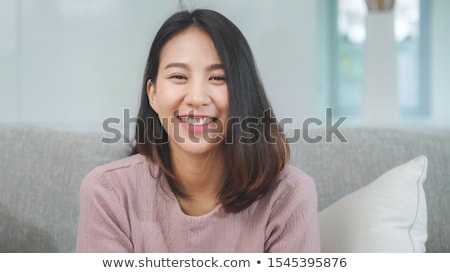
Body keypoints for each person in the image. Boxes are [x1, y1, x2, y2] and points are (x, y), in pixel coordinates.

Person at [76, 8, 320, 253]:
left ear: (242, 93)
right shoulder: (107, 192)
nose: (196, 98)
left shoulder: (290, 196)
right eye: (179, 76)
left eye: (218, 78)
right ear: (153, 94)